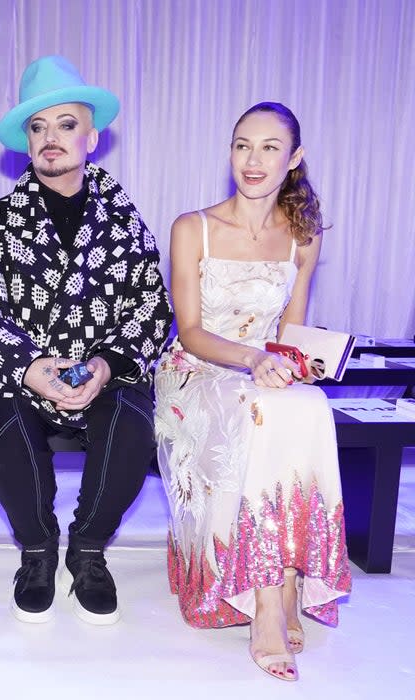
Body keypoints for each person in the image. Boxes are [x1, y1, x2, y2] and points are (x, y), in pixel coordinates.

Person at [0, 56, 172, 626]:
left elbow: (150, 306)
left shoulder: (126, 222)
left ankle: (89, 548)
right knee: (9, 436)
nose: (52, 139)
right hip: (16, 371)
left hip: (99, 369)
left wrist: (102, 365)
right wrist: (30, 366)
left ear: (91, 137)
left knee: (133, 425)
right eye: (38, 127)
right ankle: (38, 549)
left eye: (66, 124)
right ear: (26, 141)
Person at [153, 102, 350, 682]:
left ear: (294, 159)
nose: (253, 159)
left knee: (310, 405)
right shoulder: (195, 227)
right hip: (197, 371)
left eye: (269, 147)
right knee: (262, 409)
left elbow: (289, 334)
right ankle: (269, 602)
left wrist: (302, 361)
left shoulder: (301, 238)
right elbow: (189, 331)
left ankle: (289, 574)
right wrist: (254, 359)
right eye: (243, 145)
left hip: (262, 374)